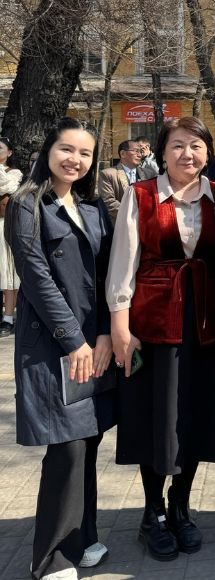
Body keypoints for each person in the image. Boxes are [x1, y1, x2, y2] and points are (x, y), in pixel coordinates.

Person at [107, 117, 215, 561]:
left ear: (208, 153)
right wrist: (120, 327)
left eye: (196, 145)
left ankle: (180, 505)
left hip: (204, 325)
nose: (187, 154)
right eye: (177, 145)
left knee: (194, 417)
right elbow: (123, 262)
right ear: (162, 152)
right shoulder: (141, 195)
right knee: (156, 418)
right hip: (154, 325)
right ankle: (152, 512)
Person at [5, 118, 115, 580]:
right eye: (66, 149)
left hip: (94, 342)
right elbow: (37, 279)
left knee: (87, 442)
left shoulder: (92, 206)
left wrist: (105, 334)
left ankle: (82, 538)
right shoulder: (26, 204)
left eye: (85, 153)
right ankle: (49, 557)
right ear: (48, 150)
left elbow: (108, 274)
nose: (75, 159)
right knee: (66, 448)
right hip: (53, 346)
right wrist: (74, 342)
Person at [0, 137, 23, 336]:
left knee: (8, 273)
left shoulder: (14, 174)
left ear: (9, 153)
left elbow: (7, 187)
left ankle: (8, 318)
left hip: (4, 225)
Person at [98, 140, 147, 221]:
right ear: (123, 154)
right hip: (120, 223)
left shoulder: (148, 174)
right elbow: (109, 202)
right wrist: (135, 215)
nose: (139, 155)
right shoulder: (108, 174)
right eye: (136, 151)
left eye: (141, 151)